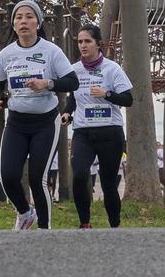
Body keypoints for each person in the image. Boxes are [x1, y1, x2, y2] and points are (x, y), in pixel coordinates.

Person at [0, 0, 78, 230]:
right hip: (16, 123)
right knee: (7, 176)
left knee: (38, 179)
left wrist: (47, 84)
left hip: (45, 122)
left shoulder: (51, 51)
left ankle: (45, 231)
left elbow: (72, 81)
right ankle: (25, 213)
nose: (23, 21)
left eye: (29, 16)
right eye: (19, 17)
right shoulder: (6, 55)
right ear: (14, 24)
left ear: (37, 22)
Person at [61, 23, 133, 228]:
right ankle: (85, 223)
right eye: (80, 42)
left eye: (87, 41)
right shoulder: (73, 70)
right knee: (80, 174)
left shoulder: (112, 69)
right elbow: (72, 99)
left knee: (108, 183)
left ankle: (114, 225)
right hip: (83, 132)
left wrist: (106, 94)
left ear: (98, 44)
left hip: (110, 131)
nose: (83, 45)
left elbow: (128, 99)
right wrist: (67, 112)